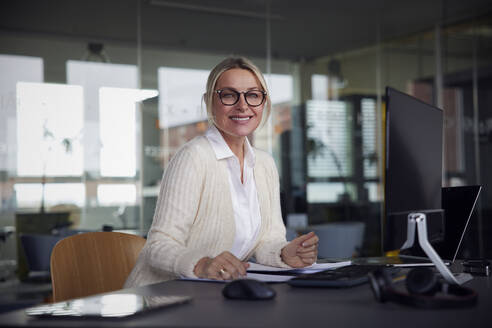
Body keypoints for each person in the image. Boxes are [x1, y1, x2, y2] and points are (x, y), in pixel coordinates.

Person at [125, 56, 318, 287]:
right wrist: (202, 264)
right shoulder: (193, 157)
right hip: (163, 296)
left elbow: (267, 240)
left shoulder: (265, 164)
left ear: (263, 102)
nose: (243, 105)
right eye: (229, 95)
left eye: (253, 95)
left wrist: (285, 253)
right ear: (209, 102)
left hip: (220, 295)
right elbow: (157, 246)